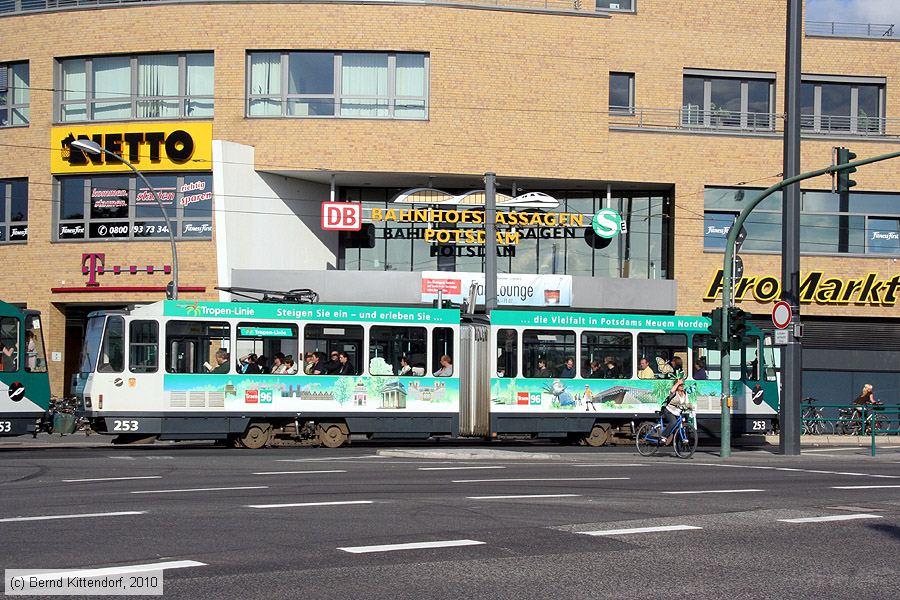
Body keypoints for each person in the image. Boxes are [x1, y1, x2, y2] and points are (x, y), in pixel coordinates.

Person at [660, 378, 693, 445]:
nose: (682, 386)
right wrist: (677, 383)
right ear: (677, 386)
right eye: (680, 385)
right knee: (673, 422)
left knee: (682, 422)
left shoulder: (685, 394)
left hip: (677, 412)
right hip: (669, 410)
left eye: (682, 385)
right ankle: (663, 436)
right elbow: (672, 391)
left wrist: (691, 407)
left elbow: (686, 403)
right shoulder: (674, 393)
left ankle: (682, 438)